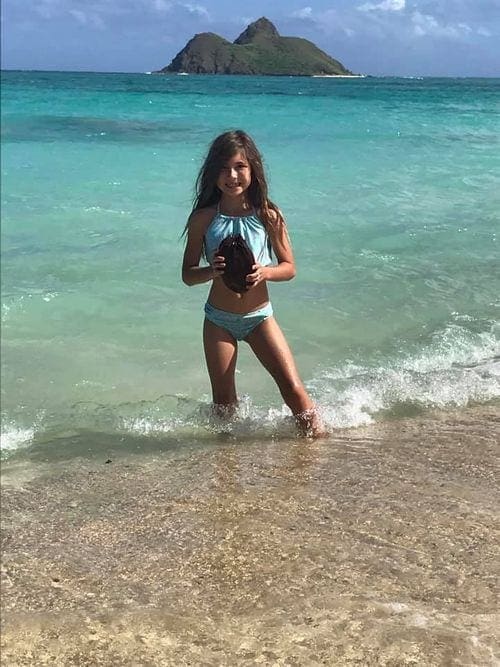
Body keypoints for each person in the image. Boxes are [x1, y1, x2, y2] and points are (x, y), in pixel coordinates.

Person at [182, 130, 324, 436]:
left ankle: (319, 444)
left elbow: (289, 268)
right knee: (223, 403)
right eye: (222, 169)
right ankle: (224, 466)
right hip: (218, 320)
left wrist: (265, 272)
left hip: (259, 317)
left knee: (293, 389)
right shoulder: (203, 218)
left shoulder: (268, 215)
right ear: (212, 173)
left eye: (239, 167)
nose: (231, 176)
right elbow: (187, 274)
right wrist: (211, 272)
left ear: (252, 169)